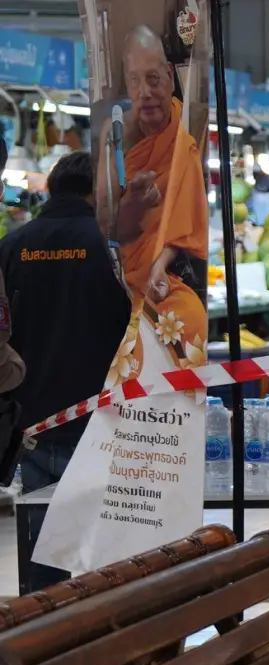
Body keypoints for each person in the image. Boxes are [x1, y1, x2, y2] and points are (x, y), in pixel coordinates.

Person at [0, 151, 122, 592]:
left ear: (51, 189)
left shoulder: (12, 245)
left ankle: (40, 648)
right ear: (97, 192)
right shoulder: (111, 246)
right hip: (99, 422)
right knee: (111, 552)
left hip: (29, 421)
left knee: (42, 557)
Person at [104, 24, 209, 376]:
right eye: (135, 81)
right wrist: (133, 202)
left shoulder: (183, 147)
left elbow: (184, 224)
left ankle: (168, 422)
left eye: (153, 78)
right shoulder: (115, 138)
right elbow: (108, 223)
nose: (145, 92)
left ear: (168, 76)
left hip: (161, 276)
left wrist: (159, 266)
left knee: (188, 316)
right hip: (116, 274)